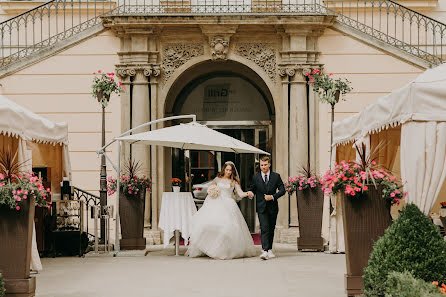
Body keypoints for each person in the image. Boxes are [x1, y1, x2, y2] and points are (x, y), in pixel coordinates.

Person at [186, 161, 257, 260]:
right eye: (227, 170)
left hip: (228, 205)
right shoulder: (217, 179)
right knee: (208, 225)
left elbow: (240, 194)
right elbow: (210, 188)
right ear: (224, 169)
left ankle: (222, 252)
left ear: (232, 171)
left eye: (230, 170)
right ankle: (208, 248)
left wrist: (247, 193)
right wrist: (212, 192)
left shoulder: (234, 181)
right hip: (215, 203)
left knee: (227, 228)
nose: (228, 172)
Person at [248, 156, 285, 260]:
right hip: (261, 207)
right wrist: (251, 193)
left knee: (271, 228)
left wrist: (273, 197)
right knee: (264, 228)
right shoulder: (256, 177)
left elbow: (282, 190)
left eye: (265, 165)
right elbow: (252, 189)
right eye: (261, 165)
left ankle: (269, 249)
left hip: (273, 207)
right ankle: (264, 250)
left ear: (269, 164)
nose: (263, 167)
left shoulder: (276, 176)